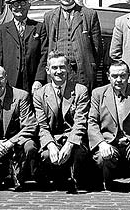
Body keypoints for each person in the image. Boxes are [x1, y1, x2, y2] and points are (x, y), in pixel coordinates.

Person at [88, 61, 130, 191]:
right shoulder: (98, 94)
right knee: (102, 158)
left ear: (129, 75)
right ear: (108, 76)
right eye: (114, 76)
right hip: (109, 141)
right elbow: (92, 122)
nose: (119, 80)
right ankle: (107, 182)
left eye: (122, 75)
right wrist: (101, 143)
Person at [33, 51, 92, 193]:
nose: (58, 71)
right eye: (54, 68)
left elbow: (80, 122)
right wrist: (51, 145)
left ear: (69, 69)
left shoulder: (80, 90)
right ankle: (57, 178)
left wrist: (70, 144)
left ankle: (76, 179)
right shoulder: (40, 94)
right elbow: (42, 125)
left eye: (62, 67)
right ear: (48, 71)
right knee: (46, 156)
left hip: (73, 140)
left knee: (78, 154)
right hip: (53, 138)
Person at [43, 0, 102, 91]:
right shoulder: (49, 17)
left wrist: (90, 67)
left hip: (82, 73)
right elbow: (45, 47)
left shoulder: (89, 15)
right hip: (58, 73)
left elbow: (97, 48)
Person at [0, 0, 48, 94]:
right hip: (9, 81)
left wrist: (39, 80)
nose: (19, 7)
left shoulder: (39, 27)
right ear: (10, 8)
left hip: (32, 82)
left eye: (23, 3)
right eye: (15, 4)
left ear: (29, 6)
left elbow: (44, 56)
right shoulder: (2, 30)